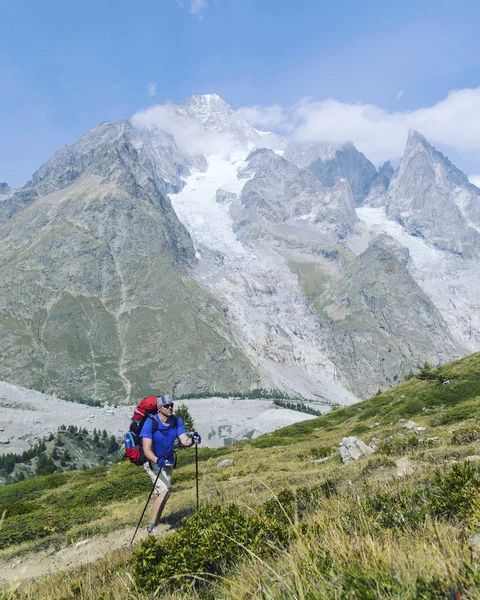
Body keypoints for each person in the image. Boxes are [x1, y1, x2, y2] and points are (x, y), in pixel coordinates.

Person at [140, 394, 200, 535]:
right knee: (166, 490)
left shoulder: (176, 421)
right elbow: (146, 450)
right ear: (160, 408)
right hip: (153, 462)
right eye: (167, 406)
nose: (170, 408)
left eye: (171, 405)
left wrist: (192, 440)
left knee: (159, 493)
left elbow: (184, 441)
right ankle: (152, 526)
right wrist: (156, 460)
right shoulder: (150, 423)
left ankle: (158, 520)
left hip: (168, 462)